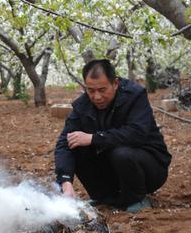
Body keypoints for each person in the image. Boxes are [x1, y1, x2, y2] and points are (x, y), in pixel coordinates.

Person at [54, 59, 172, 212]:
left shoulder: (134, 96)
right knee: (76, 144)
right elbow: (64, 143)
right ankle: (104, 197)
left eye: (102, 90)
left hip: (149, 168)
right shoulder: (82, 106)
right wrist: (65, 182)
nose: (96, 97)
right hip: (112, 169)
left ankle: (136, 199)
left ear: (115, 83)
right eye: (90, 90)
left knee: (121, 153)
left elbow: (137, 133)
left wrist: (94, 138)